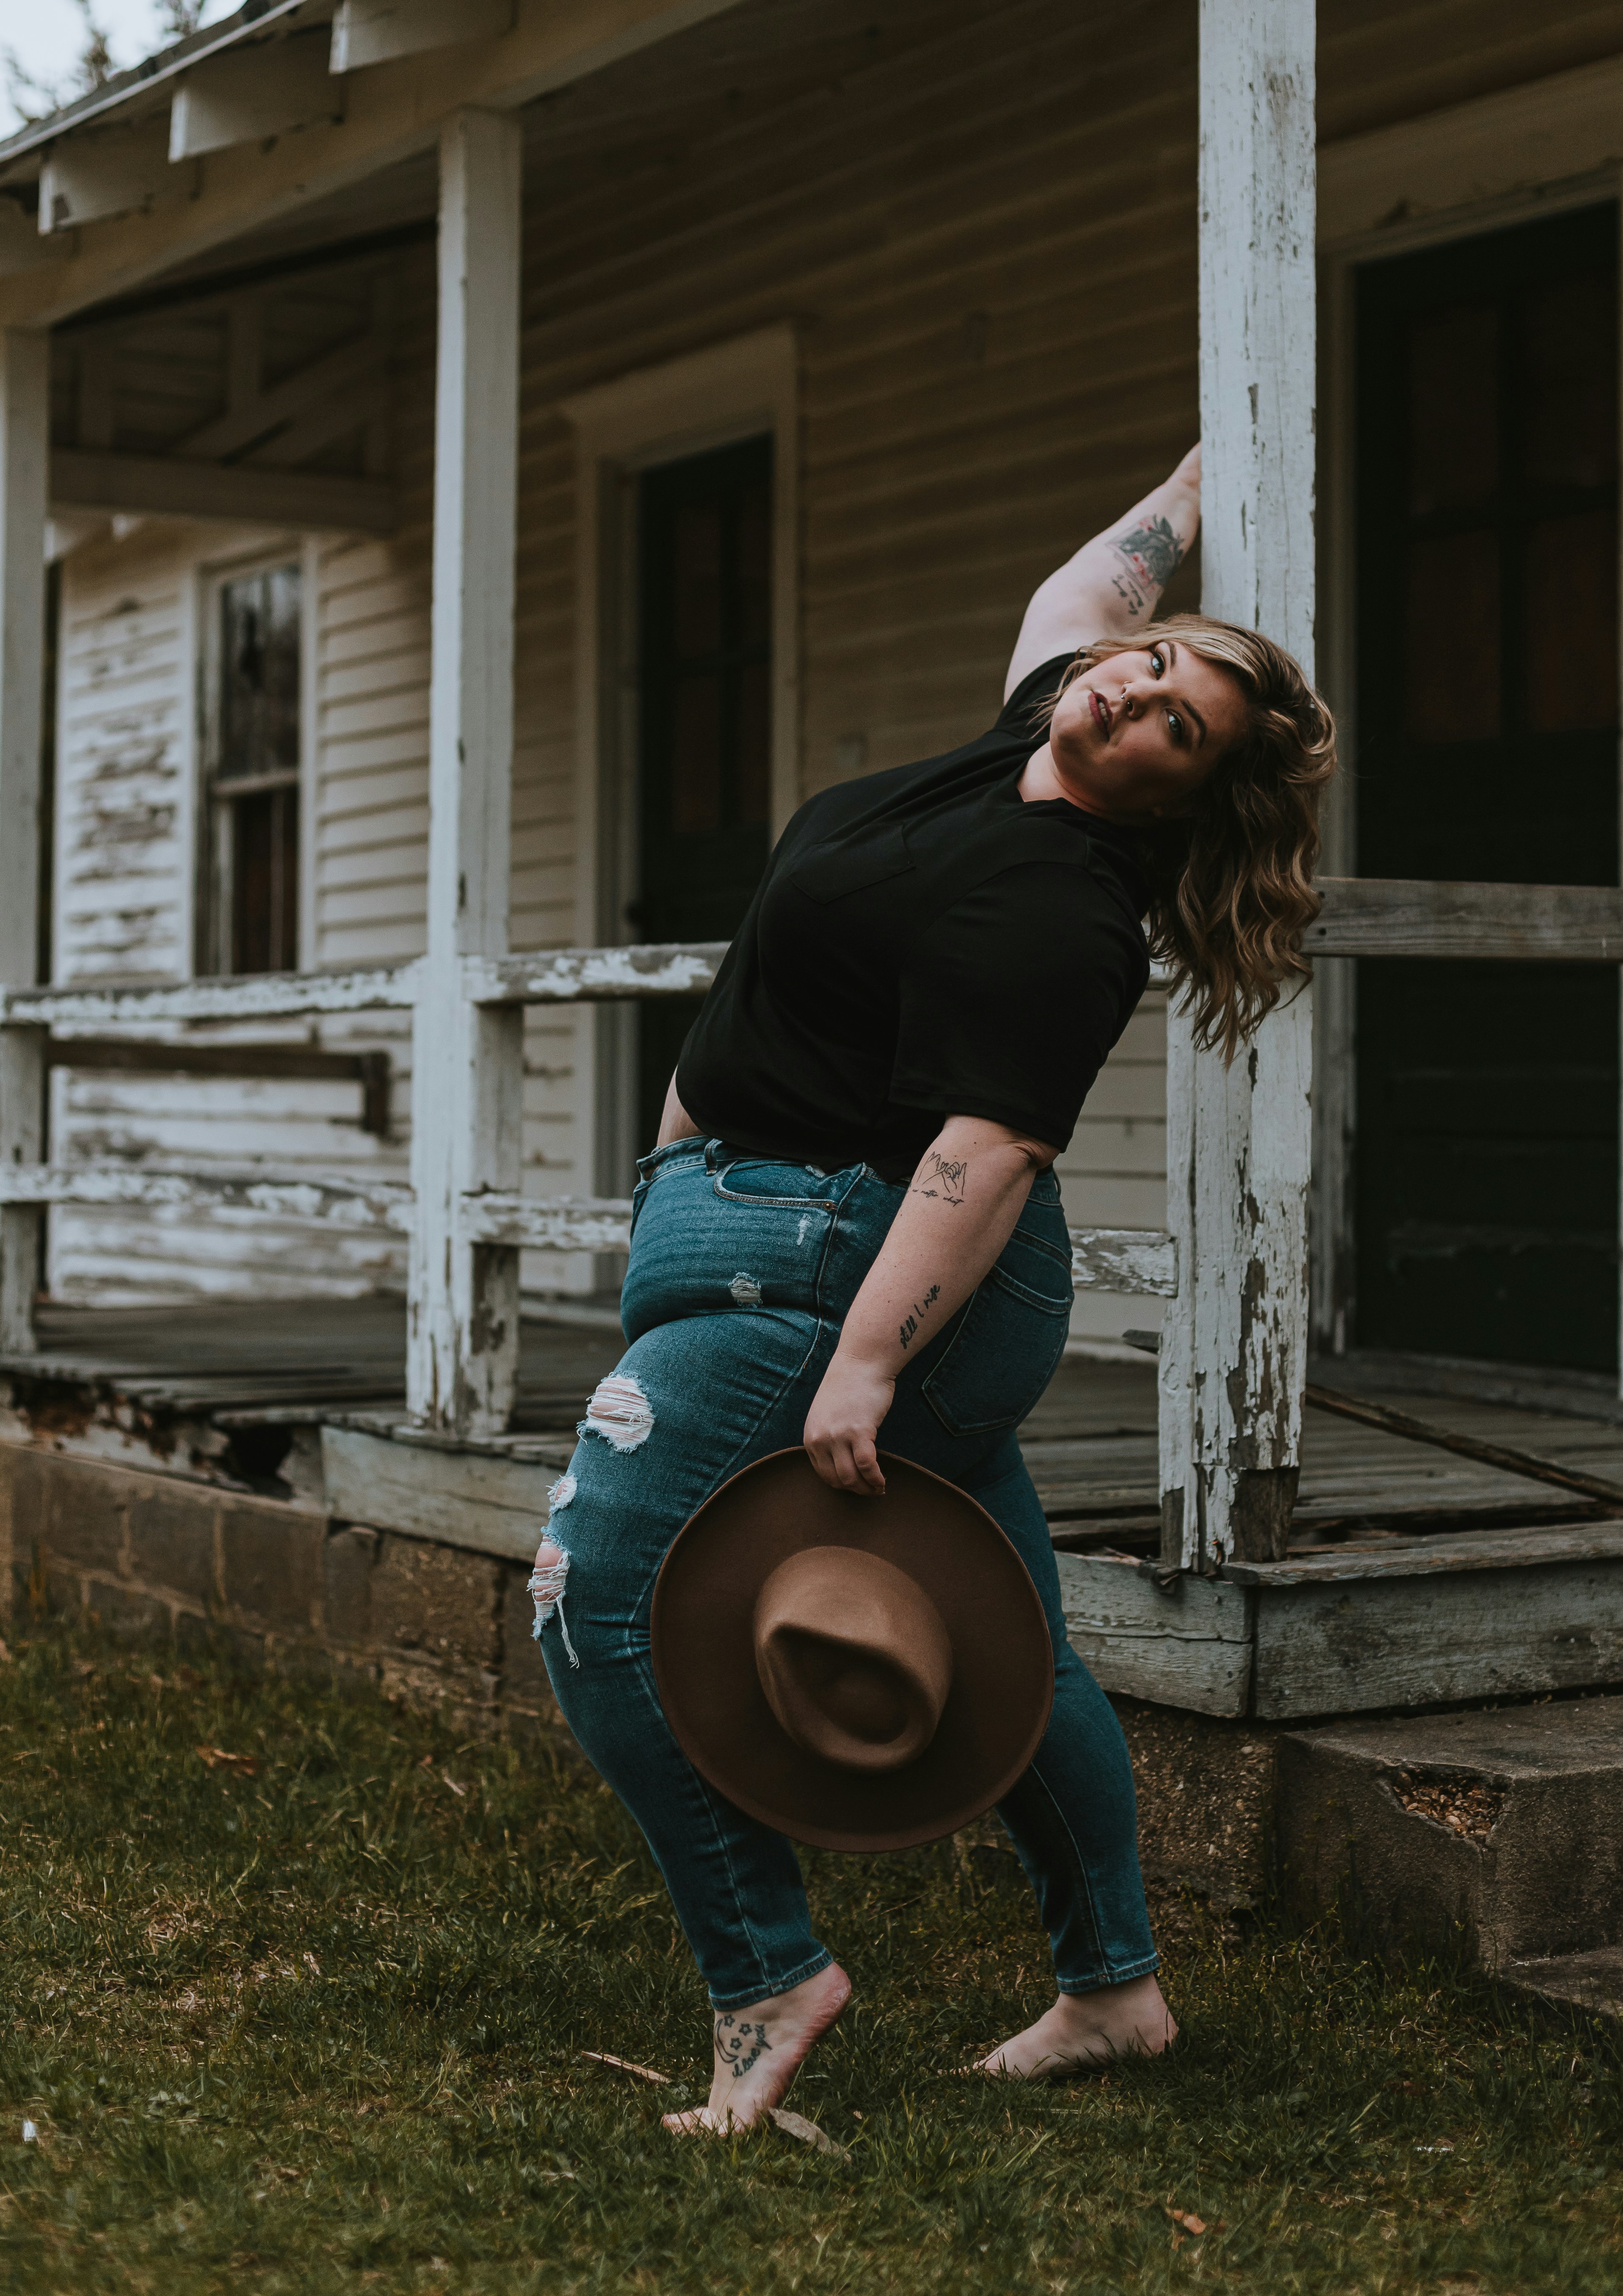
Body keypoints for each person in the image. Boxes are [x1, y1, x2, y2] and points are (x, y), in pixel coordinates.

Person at [530, 440, 1336, 2132]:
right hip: (754, 1230)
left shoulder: (1060, 910)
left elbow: (982, 1159)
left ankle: (767, 1980)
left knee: (589, 1596)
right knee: (1012, 1654)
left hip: (855, 1273)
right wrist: (1212, 464)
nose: (1130, 695)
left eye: (1174, 723)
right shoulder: (1017, 739)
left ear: (1182, 797)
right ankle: (1114, 1994)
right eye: (1150, 666)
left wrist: (867, 1372)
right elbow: (1087, 592)